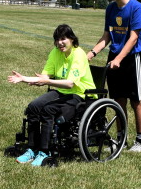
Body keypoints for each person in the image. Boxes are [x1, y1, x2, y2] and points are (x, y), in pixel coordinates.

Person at [8, 24, 95, 166]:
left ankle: (45, 151)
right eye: (57, 40)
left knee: (49, 110)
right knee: (33, 107)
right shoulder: (55, 52)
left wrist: (46, 81)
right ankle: (32, 149)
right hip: (61, 91)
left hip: (80, 95)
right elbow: (44, 76)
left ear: (72, 39)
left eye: (63, 39)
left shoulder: (78, 54)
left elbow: (70, 84)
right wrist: (24, 78)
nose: (59, 43)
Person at [85, 0, 141, 152]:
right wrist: (91, 53)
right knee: (117, 101)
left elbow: (133, 38)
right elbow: (107, 35)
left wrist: (119, 59)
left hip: (130, 59)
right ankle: (121, 139)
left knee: (136, 100)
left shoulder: (136, 7)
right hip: (114, 58)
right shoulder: (111, 8)